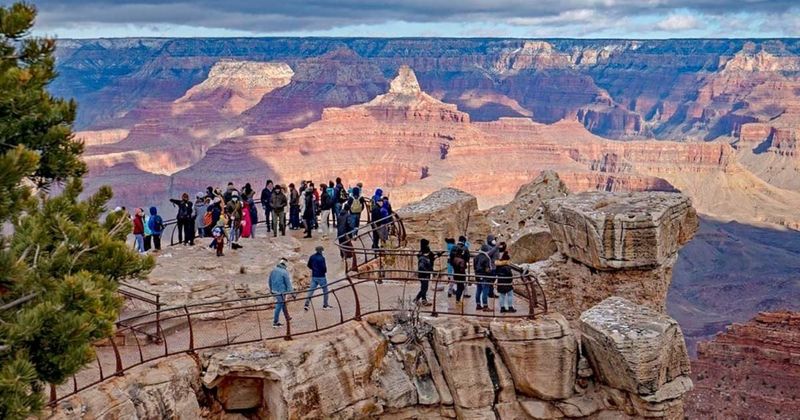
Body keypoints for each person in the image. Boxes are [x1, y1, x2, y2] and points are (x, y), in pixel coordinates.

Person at [304, 246, 333, 311]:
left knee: (311, 291)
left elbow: (308, 265)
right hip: (321, 277)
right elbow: (324, 268)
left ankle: (306, 304)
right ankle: (325, 305)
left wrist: (314, 269)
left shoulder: (312, 257)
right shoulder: (322, 258)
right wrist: (324, 272)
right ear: (321, 251)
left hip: (314, 276)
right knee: (325, 291)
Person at [268, 258, 294, 328]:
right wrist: (293, 294)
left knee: (283, 303)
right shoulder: (284, 272)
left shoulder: (273, 270)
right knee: (279, 305)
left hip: (274, 290)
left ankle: (287, 317)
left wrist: (271, 289)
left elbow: (269, 280)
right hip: (281, 292)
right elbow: (288, 284)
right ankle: (275, 322)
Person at [448, 236, 471, 303]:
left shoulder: (453, 247)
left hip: (455, 268)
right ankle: (457, 299)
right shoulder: (465, 248)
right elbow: (467, 258)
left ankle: (455, 296)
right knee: (461, 285)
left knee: (457, 283)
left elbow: (451, 258)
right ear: (464, 241)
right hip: (462, 269)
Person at [495, 245, 516, 313]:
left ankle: (502, 308)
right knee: (510, 295)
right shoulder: (507, 267)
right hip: (507, 283)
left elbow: (496, 273)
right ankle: (510, 307)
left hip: (500, 282)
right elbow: (510, 275)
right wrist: (511, 281)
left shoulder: (498, 266)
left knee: (502, 295)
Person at [414, 239, 435, 306]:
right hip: (424, 274)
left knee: (424, 288)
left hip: (425, 274)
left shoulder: (422, 255)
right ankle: (416, 299)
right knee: (424, 288)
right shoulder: (422, 257)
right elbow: (421, 266)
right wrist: (427, 270)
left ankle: (423, 300)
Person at [474, 243, 493, 312]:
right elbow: (487, 269)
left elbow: (474, 267)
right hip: (485, 276)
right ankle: (485, 306)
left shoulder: (476, 257)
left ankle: (478, 305)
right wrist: (491, 272)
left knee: (478, 290)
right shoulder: (486, 258)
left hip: (477, 276)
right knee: (485, 291)